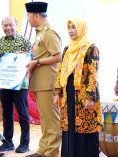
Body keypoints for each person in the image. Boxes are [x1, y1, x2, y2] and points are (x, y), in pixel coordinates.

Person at [54, 18, 102, 157]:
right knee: (69, 128)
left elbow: (93, 75)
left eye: (74, 27)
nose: (70, 31)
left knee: (85, 129)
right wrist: (57, 93)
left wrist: (89, 97)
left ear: (81, 28)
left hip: (84, 96)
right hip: (68, 94)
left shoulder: (91, 49)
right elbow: (61, 71)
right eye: (69, 27)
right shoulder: (67, 49)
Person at [25, 2, 62, 157]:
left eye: (28, 16)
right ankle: (43, 149)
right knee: (45, 119)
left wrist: (37, 62)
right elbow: (43, 54)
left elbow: (58, 56)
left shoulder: (49, 33)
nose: (28, 20)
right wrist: (28, 57)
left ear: (36, 16)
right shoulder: (40, 33)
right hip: (40, 83)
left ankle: (52, 152)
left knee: (52, 120)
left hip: (48, 84)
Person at [0, 16, 31, 153]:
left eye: (11, 25)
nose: (8, 28)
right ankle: (7, 142)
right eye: (5, 25)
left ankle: (25, 143)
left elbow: (29, 62)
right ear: (2, 26)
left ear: (16, 24)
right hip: (4, 84)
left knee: (23, 113)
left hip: (20, 85)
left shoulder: (25, 42)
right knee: (7, 113)